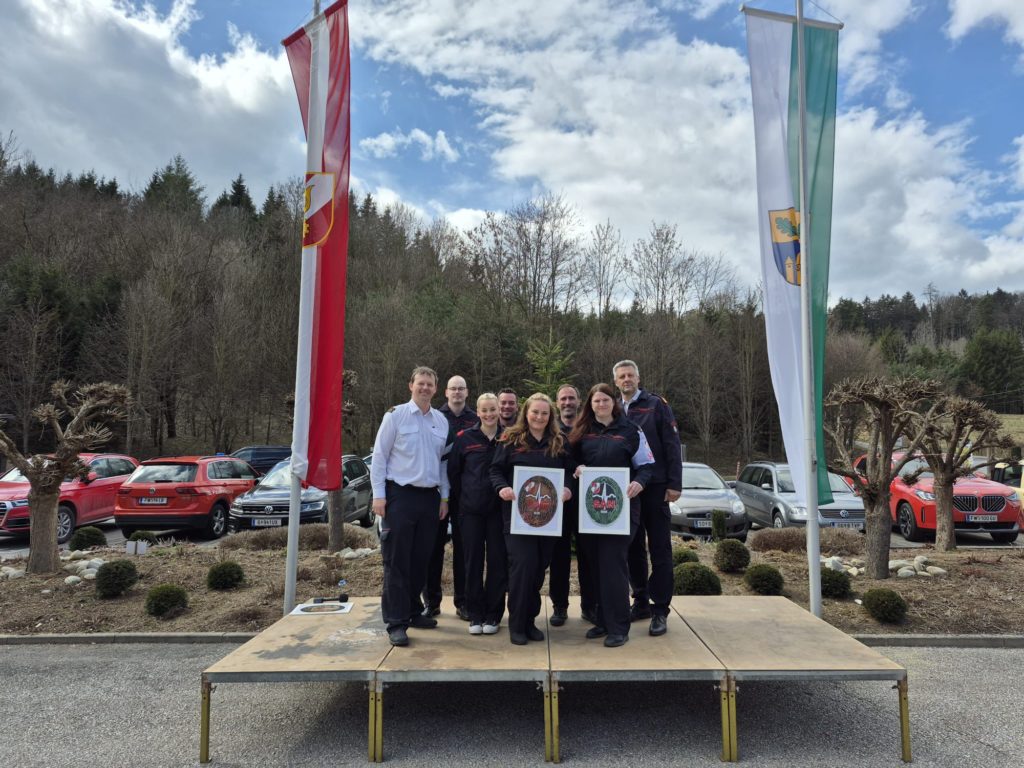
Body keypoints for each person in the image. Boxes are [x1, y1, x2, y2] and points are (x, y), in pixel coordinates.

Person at [370, 366, 452, 647]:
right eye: (421, 383)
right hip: (399, 496)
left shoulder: (441, 421)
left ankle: (414, 610)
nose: (425, 388)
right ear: (411, 385)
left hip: (429, 498)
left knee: (421, 559)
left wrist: (444, 498)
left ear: (435, 389)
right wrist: (379, 496)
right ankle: (396, 621)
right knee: (397, 561)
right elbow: (379, 458)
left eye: (430, 384)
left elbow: (443, 464)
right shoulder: (396, 417)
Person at [568, 384, 653, 647]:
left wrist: (640, 483)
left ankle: (619, 627)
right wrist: (577, 468)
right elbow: (568, 461)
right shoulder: (581, 432)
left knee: (613, 565)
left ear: (613, 403)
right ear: (590, 405)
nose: (601, 405)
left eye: (605, 400)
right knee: (594, 565)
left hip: (622, 511)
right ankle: (603, 621)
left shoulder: (631, 430)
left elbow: (647, 465)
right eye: (596, 401)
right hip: (590, 511)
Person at [490, 393, 573, 646]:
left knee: (538, 570)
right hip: (517, 519)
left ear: (551, 417)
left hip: (548, 519)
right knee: (522, 567)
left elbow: (569, 472)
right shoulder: (510, 440)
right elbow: (495, 470)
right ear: (526, 413)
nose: (539, 417)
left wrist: (568, 487)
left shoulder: (559, 442)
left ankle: (530, 620)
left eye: (544, 413)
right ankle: (516, 624)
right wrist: (502, 488)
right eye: (535, 412)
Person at [613, 359, 682, 637]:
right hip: (627, 488)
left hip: (655, 487)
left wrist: (675, 484)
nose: (626, 380)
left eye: (630, 375)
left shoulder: (656, 405)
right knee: (632, 548)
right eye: (621, 376)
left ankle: (660, 609)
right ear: (616, 381)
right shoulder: (614, 408)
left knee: (660, 548)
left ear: (638, 378)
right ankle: (640, 600)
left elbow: (671, 443)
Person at [448, 393, 507, 635]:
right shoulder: (464, 439)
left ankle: (493, 615)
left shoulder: (509, 437)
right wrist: (461, 505)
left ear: (498, 410)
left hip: (498, 512)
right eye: (484, 410)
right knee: (471, 563)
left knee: (497, 563)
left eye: (493, 409)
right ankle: (475, 614)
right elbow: (454, 474)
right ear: (478, 412)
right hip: (470, 512)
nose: (489, 414)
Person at [422, 375, 477, 620]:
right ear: (445, 392)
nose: (457, 393)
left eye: (461, 389)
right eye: (453, 388)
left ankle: (463, 602)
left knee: (463, 549)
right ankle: (431, 602)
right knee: (433, 548)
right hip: (437, 492)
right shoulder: (434, 417)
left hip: (465, 494)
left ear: (467, 393)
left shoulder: (475, 419)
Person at [548, 384, 598, 627]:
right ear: (557, 403)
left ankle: (589, 606)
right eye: (563, 399)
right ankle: (559, 606)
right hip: (561, 501)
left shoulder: (589, 428)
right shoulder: (551, 431)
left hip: (588, 502)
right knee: (559, 556)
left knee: (588, 556)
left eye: (571, 398)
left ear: (579, 401)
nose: (567, 402)